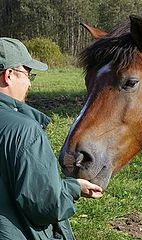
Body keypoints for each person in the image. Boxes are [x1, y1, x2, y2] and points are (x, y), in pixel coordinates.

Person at [0, 37, 103, 240]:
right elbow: (44, 205)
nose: (29, 82)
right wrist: (73, 187)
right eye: (28, 74)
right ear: (9, 75)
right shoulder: (25, 131)